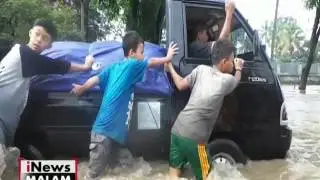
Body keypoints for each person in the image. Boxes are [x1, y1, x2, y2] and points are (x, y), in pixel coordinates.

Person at [70, 30, 178, 180]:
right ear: (132, 53)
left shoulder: (113, 67)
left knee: (116, 170)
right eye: (141, 52)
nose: (143, 55)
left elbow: (95, 79)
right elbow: (151, 62)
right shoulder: (133, 64)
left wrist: (82, 88)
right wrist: (168, 57)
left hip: (110, 135)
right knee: (92, 176)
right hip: (104, 134)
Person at [0, 18, 94, 177]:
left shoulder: (17, 53)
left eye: (45, 38)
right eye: (37, 34)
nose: (39, 40)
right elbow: (57, 65)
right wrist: (86, 66)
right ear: (30, 33)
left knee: (20, 167)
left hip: (8, 126)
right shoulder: (25, 54)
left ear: (49, 46)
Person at [165, 39, 244, 180]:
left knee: (174, 175)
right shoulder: (226, 80)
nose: (233, 63)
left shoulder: (200, 70)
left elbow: (180, 85)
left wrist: (169, 65)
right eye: (232, 60)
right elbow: (237, 79)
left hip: (176, 132)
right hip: (196, 141)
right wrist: (239, 68)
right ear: (224, 61)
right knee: (208, 176)